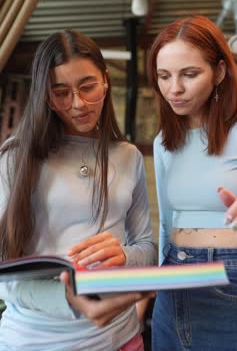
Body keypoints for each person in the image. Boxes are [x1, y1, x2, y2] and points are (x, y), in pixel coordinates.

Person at [0, 30, 156, 351]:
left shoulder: (128, 156)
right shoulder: (14, 157)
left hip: (121, 339)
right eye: (61, 92)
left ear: (106, 80)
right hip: (34, 342)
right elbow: (5, 280)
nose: (78, 104)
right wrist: (69, 300)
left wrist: (125, 256)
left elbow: (147, 248)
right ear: (44, 95)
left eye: (88, 87)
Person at [148, 15, 237, 351]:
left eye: (190, 74)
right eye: (164, 76)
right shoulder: (163, 142)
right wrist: (156, 284)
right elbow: (167, 223)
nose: (175, 89)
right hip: (173, 281)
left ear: (220, 73)